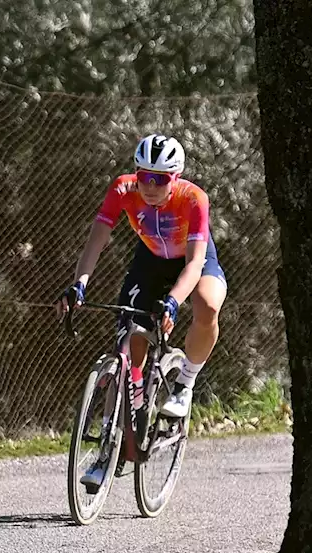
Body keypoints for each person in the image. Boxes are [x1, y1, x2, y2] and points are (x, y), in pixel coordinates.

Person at [56, 133, 228, 483]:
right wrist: (80, 283)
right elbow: (96, 241)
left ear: (174, 178)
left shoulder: (194, 199)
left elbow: (194, 265)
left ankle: (184, 384)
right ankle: (110, 447)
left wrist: (174, 302)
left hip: (193, 260)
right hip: (150, 261)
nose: (149, 186)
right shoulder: (123, 190)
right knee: (127, 345)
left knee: (208, 304)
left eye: (159, 179)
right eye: (143, 176)